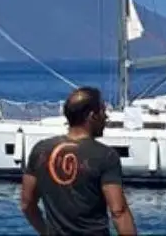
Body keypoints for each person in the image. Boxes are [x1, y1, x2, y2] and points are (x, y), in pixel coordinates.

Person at [20, 87, 137, 236]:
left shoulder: (40, 150)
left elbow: (27, 204)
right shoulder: (105, 155)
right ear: (91, 115)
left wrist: (46, 232)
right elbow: (118, 211)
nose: (106, 117)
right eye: (102, 111)